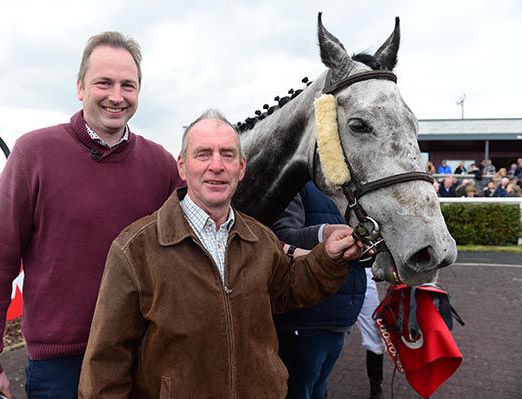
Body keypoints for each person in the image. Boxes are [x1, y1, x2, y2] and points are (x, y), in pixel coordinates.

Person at [78, 109, 364, 399]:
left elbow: (289, 289)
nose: (217, 166)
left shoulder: (260, 238)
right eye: (203, 154)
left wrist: (327, 257)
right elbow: (106, 362)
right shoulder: (136, 249)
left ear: (241, 168)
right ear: (182, 166)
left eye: (227, 155)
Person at [0, 32, 183, 399]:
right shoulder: (33, 154)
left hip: (139, 356)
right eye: (104, 83)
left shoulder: (160, 164)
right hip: (60, 367)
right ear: (80, 87)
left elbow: (209, 225)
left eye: (128, 85)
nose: (117, 96)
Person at [272, 181, 385, 399]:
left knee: (318, 390)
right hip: (306, 318)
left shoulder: (350, 187)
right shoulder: (295, 183)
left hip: (339, 317)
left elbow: (352, 253)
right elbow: (279, 239)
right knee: (299, 391)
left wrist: (368, 250)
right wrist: (325, 234)